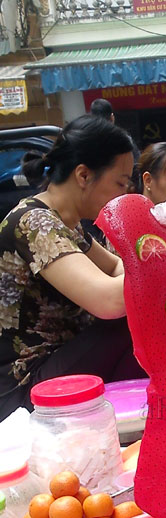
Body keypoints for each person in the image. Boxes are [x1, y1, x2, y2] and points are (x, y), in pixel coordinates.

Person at [0, 114, 146, 421]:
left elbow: (118, 268)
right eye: (119, 182)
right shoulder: (35, 223)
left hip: (63, 365)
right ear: (83, 175)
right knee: (133, 315)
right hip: (28, 385)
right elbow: (109, 301)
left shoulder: (69, 226)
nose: (123, 194)